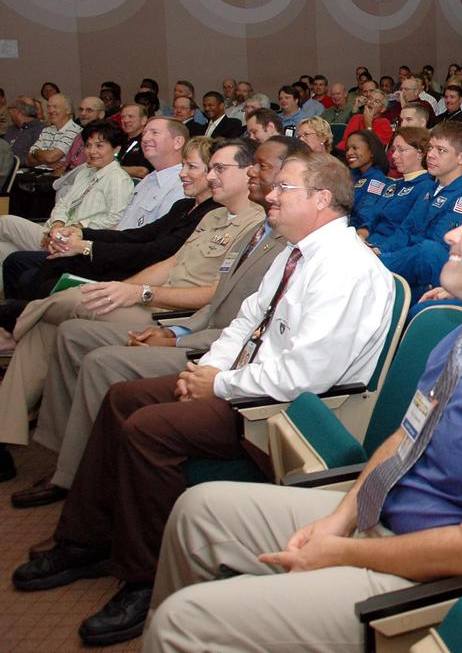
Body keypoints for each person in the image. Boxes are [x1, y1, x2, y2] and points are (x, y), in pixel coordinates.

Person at [142, 183, 462, 650]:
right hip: (382, 517)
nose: (450, 236)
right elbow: (405, 439)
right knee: (199, 510)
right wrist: (342, 517)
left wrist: (343, 552)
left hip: (429, 577)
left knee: (181, 622)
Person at [11, 153, 391, 647]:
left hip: (284, 413)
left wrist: (219, 385)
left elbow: (303, 376)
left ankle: (144, 579)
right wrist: (207, 370)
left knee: (149, 428)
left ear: (321, 199)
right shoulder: (295, 253)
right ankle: (85, 540)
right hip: (248, 385)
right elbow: (246, 322)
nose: (270, 194)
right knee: (123, 397)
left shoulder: (345, 268)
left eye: (284, 187)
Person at [0, 139, 265, 480]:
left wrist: (140, 293)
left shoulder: (255, 224)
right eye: (209, 168)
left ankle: (14, 324)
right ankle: (16, 435)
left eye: (219, 169)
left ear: (248, 172)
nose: (211, 176)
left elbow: (216, 295)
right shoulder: (213, 215)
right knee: (52, 326)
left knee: (76, 300)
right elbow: (170, 263)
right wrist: (126, 289)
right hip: (151, 299)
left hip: (173, 313)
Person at [0, 122, 132, 281]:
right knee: (3, 250)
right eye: (88, 146)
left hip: (77, 241)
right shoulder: (86, 171)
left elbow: (115, 220)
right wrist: (57, 225)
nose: (92, 151)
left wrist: (74, 229)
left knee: (5, 222)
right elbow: (64, 203)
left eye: (99, 146)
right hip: (56, 233)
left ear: (116, 149)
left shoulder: (118, 178)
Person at [377, 122, 462, 297]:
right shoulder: (430, 188)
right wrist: (380, 250)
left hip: (436, 271)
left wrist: (382, 260)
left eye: (441, 150)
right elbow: (405, 229)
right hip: (408, 263)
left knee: (429, 250)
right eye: (431, 147)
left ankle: (374, 267)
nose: (431, 155)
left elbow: (439, 244)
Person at [360, 127, 434, 244]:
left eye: (401, 150)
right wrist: (361, 234)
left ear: (420, 153)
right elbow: (373, 218)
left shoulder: (427, 187)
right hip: (370, 241)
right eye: (394, 150)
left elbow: (408, 231)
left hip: (388, 248)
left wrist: (377, 249)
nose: (394, 155)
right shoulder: (393, 184)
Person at [345, 130, 392, 234]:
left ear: (371, 151)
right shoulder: (350, 174)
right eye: (347, 149)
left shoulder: (377, 180)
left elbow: (366, 216)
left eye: (354, 148)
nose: (349, 153)